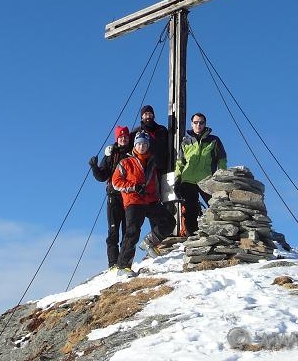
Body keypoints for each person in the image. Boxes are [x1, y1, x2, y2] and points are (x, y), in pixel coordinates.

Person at [112, 131, 174, 278]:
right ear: (135, 145)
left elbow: (154, 183)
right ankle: (123, 267)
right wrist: (133, 187)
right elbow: (116, 182)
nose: (142, 146)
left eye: (145, 144)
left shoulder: (152, 161)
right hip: (133, 201)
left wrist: (156, 196)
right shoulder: (125, 162)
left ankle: (149, 242)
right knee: (132, 232)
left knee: (170, 221)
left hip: (150, 200)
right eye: (139, 143)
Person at [174, 112, 227, 236]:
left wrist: (222, 175)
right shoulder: (185, 141)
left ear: (205, 124)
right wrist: (177, 178)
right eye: (196, 122)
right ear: (191, 124)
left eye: (201, 122)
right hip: (188, 181)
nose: (198, 125)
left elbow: (222, 159)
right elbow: (180, 162)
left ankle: (219, 233)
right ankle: (192, 237)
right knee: (190, 210)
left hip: (206, 180)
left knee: (216, 205)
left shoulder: (214, 140)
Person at [89, 126, 131, 269]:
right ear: (117, 138)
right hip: (114, 196)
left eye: (125, 137)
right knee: (113, 231)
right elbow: (102, 176)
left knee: (128, 231)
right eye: (121, 137)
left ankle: (125, 263)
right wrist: (94, 167)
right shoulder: (111, 154)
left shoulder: (134, 151)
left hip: (129, 197)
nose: (123, 139)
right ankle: (113, 264)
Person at [130, 105, 169, 174]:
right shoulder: (135, 132)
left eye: (150, 114)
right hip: (144, 169)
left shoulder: (162, 130)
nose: (148, 116)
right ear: (142, 117)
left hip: (162, 169)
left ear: (153, 116)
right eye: (145, 114)